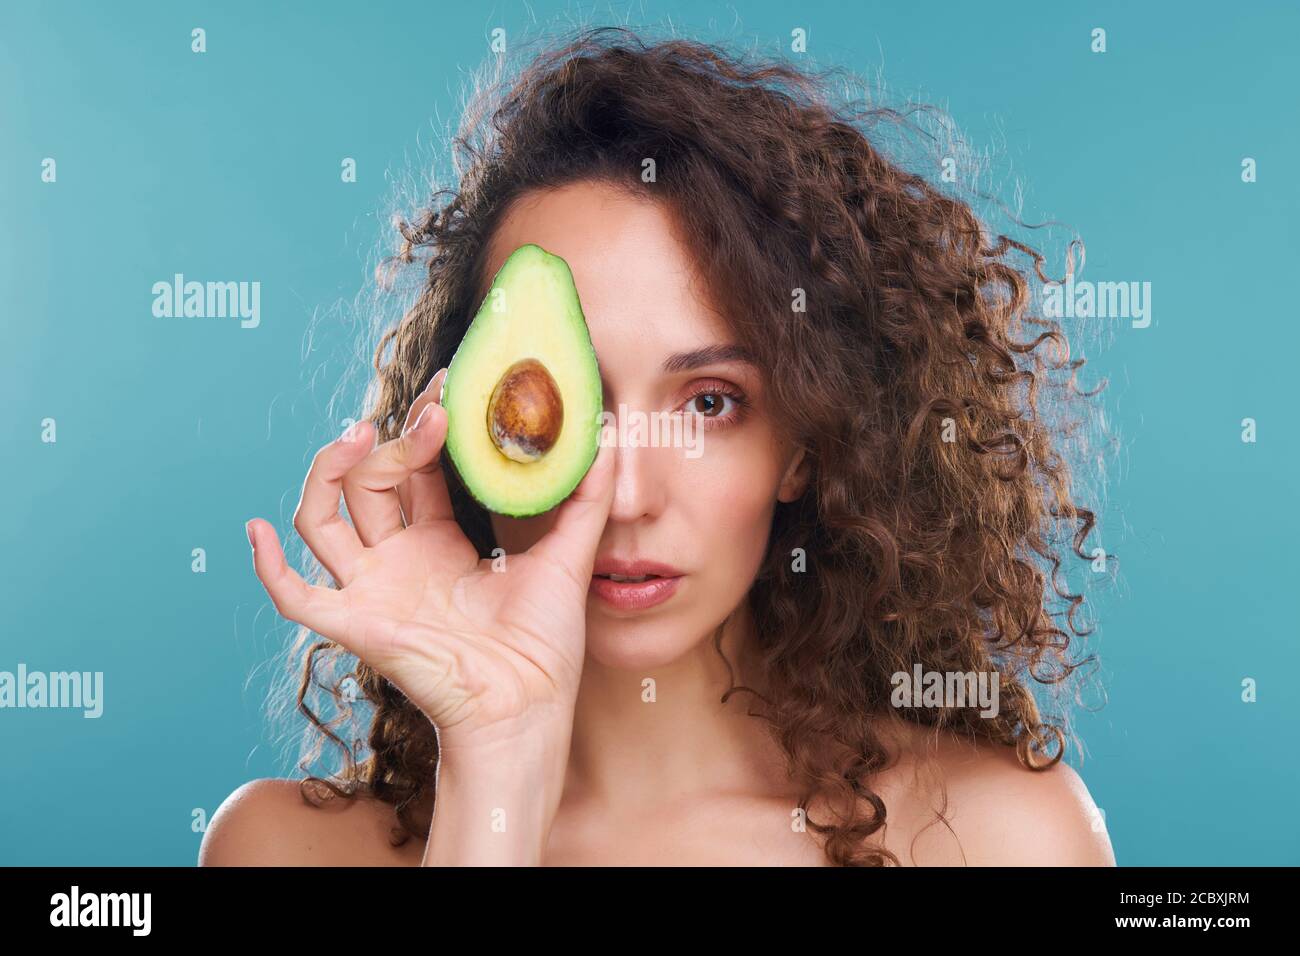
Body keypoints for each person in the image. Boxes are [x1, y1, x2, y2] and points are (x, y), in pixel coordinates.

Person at [199, 27, 1116, 866]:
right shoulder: (283, 851)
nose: (628, 495)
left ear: (804, 440)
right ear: (458, 429)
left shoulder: (996, 838)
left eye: (711, 402)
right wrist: (497, 773)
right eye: (556, 409)